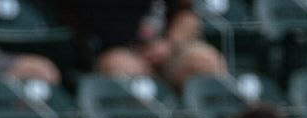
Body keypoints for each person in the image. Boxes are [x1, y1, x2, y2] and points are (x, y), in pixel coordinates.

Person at [79, 0, 226, 91]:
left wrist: (169, 43)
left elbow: (187, 14)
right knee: (121, 67)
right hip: (121, 51)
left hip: (168, 48)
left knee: (204, 61)